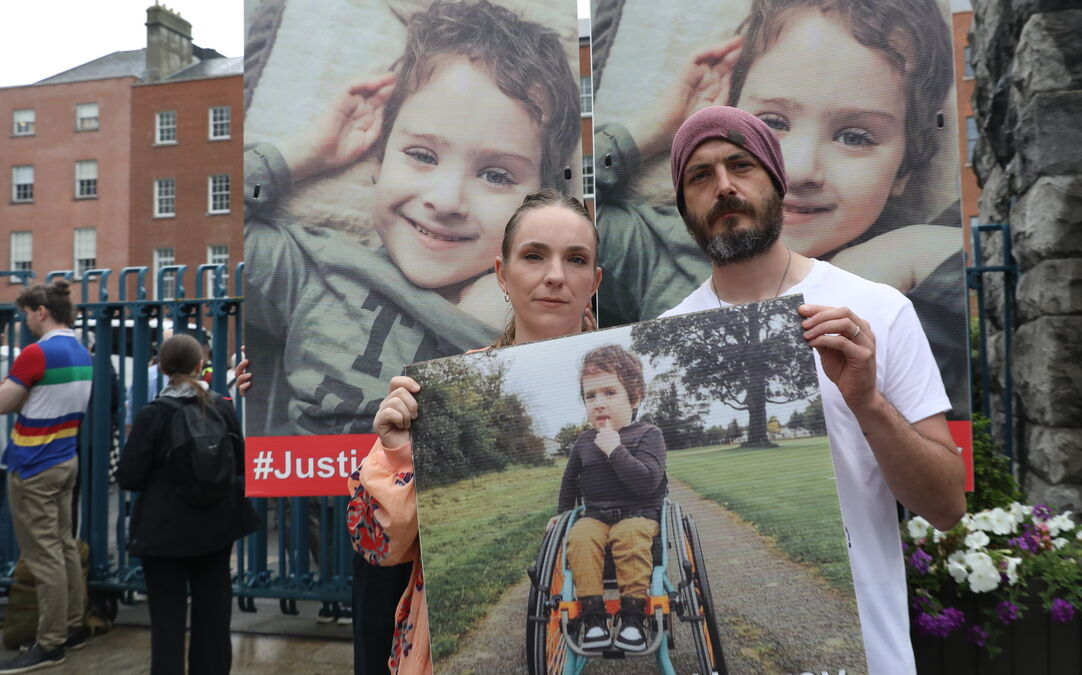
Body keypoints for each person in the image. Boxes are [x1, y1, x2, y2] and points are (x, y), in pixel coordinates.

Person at [237, 190, 602, 674]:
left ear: (595, 280)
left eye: (575, 259)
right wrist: (396, 455)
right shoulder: (442, 392)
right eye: (534, 255)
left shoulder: (624, 387)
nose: (555, 275)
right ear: (502, 274)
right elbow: (377, 546)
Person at [663, 105, 965, 674]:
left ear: (777, 180)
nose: (723, 186)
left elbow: (946, 505)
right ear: (684, 207)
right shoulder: (668, 339)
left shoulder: (877, 309)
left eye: (741, 165)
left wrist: (868, 403)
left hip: (867, 656)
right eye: (699, 175)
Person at [593, 0, 967, 416]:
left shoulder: (904, 286)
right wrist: (650, 131)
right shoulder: (654, 248)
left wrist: (905, 252)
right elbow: (539, 209)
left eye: (854, 137)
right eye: (772, 122)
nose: (799, 170)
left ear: (904, 171)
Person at [242, 0, 581, 437]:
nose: (446, 201)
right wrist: (304, 155)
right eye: (422, 155)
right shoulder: (320, 270)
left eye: (496, 175)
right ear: (379, 160)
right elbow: (210, 235)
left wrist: (495, 327)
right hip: (326, 483)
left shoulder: (548, 312)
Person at [116, 334, 259, 675]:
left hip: (164, 532)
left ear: (163, 369)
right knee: (214, 616)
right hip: (216, 529)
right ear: (199, 365)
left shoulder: (153, 414)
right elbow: (241, 463)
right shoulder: (221, 406)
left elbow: (129, 476)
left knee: (167, 621)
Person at [0, 281, 93, 673]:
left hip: (33, 464)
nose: (26, 322)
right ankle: (73, 626)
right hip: (64, 458)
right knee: (64, 545)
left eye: (27, 314)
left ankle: (51, 643)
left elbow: (4, 402)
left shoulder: (36, 353)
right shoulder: (82, 353)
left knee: (44, 556)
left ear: (41, 311)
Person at [553, 345, 665, 652]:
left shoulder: (648, 435)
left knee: (629, 536)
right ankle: (593, 618)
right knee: (580, 537)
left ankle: (633, 619)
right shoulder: (584, 441)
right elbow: (569, 481)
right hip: (596, 517)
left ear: (635, 397)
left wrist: (615, 449)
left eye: (610, 393)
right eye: (590, 396)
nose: (599, 403)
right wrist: (562, 512)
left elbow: (646, 483)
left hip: (639, 515)